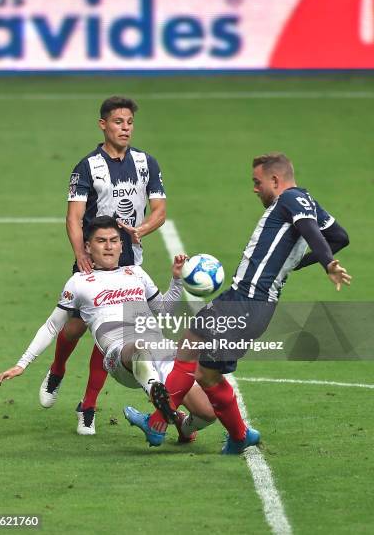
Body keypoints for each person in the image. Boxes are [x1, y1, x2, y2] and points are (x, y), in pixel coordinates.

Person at [125, 153, 351, 453]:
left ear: (275, 179)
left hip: (247, 300)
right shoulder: (305, 199)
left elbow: (311, 229)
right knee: (206, 372)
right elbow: (339, 235)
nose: (255, 189)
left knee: (191, 350)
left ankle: (156, 424)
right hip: (251, 303)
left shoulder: (292, 199)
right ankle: (239, 436)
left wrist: (327, 263)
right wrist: (292, 263)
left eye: (258, 182)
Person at [0, 216, 216, 444]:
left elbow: (164, 311)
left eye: (114, 240)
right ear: (88, 247)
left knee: (208, 413)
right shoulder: (79, 282)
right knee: (138, 348)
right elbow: (52, 325)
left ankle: (182, 425)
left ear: (122, 245)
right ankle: (156, 392)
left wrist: (177, 280)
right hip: (120, 357)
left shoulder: (136, 273)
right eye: (101, 241)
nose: (109, 246)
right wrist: (22, 363)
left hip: (160, 352)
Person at [43, 96, 167, 435]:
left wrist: (141, 229)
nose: (125, 128)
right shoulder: (87, 167)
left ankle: (88, 406)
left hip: (128, 263)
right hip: (93, 259)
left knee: (111, 334)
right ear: (103, 125)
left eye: (129, 122)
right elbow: (74, 217)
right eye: (118, 122)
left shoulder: (145, 162)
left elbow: (159, 210)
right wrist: (80, 252)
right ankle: (57, 370)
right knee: (74, 327)